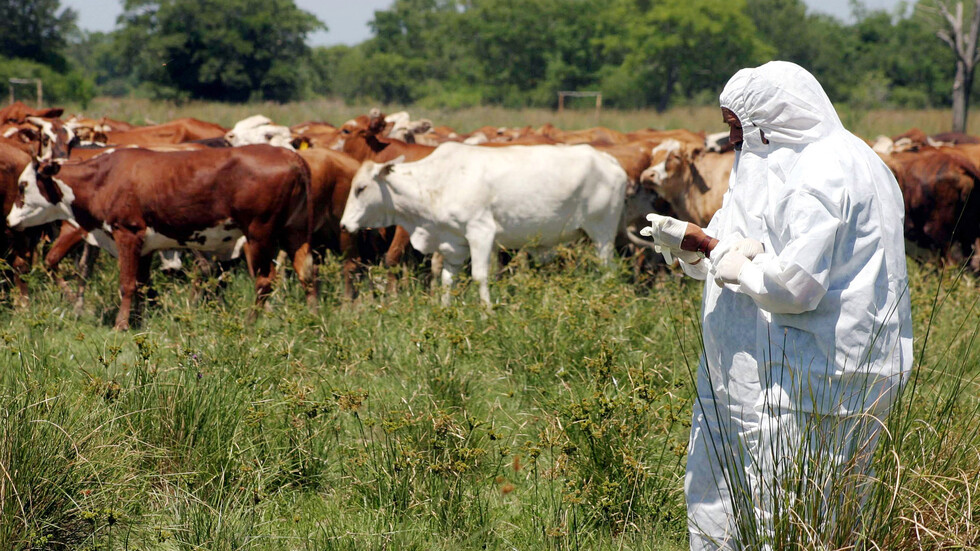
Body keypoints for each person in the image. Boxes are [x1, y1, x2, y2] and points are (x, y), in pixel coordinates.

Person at [641, 61, 914, 549]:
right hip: (757, 374)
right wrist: (695, 246)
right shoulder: (775, 159)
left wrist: (714, 251)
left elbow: (796, 286)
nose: (733, 143)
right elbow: (741, 238)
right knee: (729, 501)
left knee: (789, 515)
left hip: (808, 380)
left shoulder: (824, 169)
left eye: (735, 128)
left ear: (768, 118)